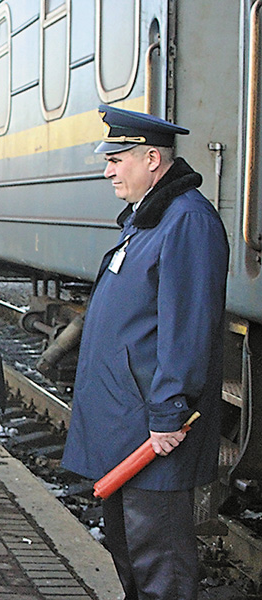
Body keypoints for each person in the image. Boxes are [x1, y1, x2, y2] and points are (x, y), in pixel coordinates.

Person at [61, 105, 229, 600]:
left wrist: (169, 412)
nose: (108, 169)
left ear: (152, 158)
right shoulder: (148, 220)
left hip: (152, 429)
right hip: (126, 422)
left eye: (117, 158)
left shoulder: (188, 222)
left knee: (161, 561)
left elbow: (189, 327)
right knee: (129, 549)